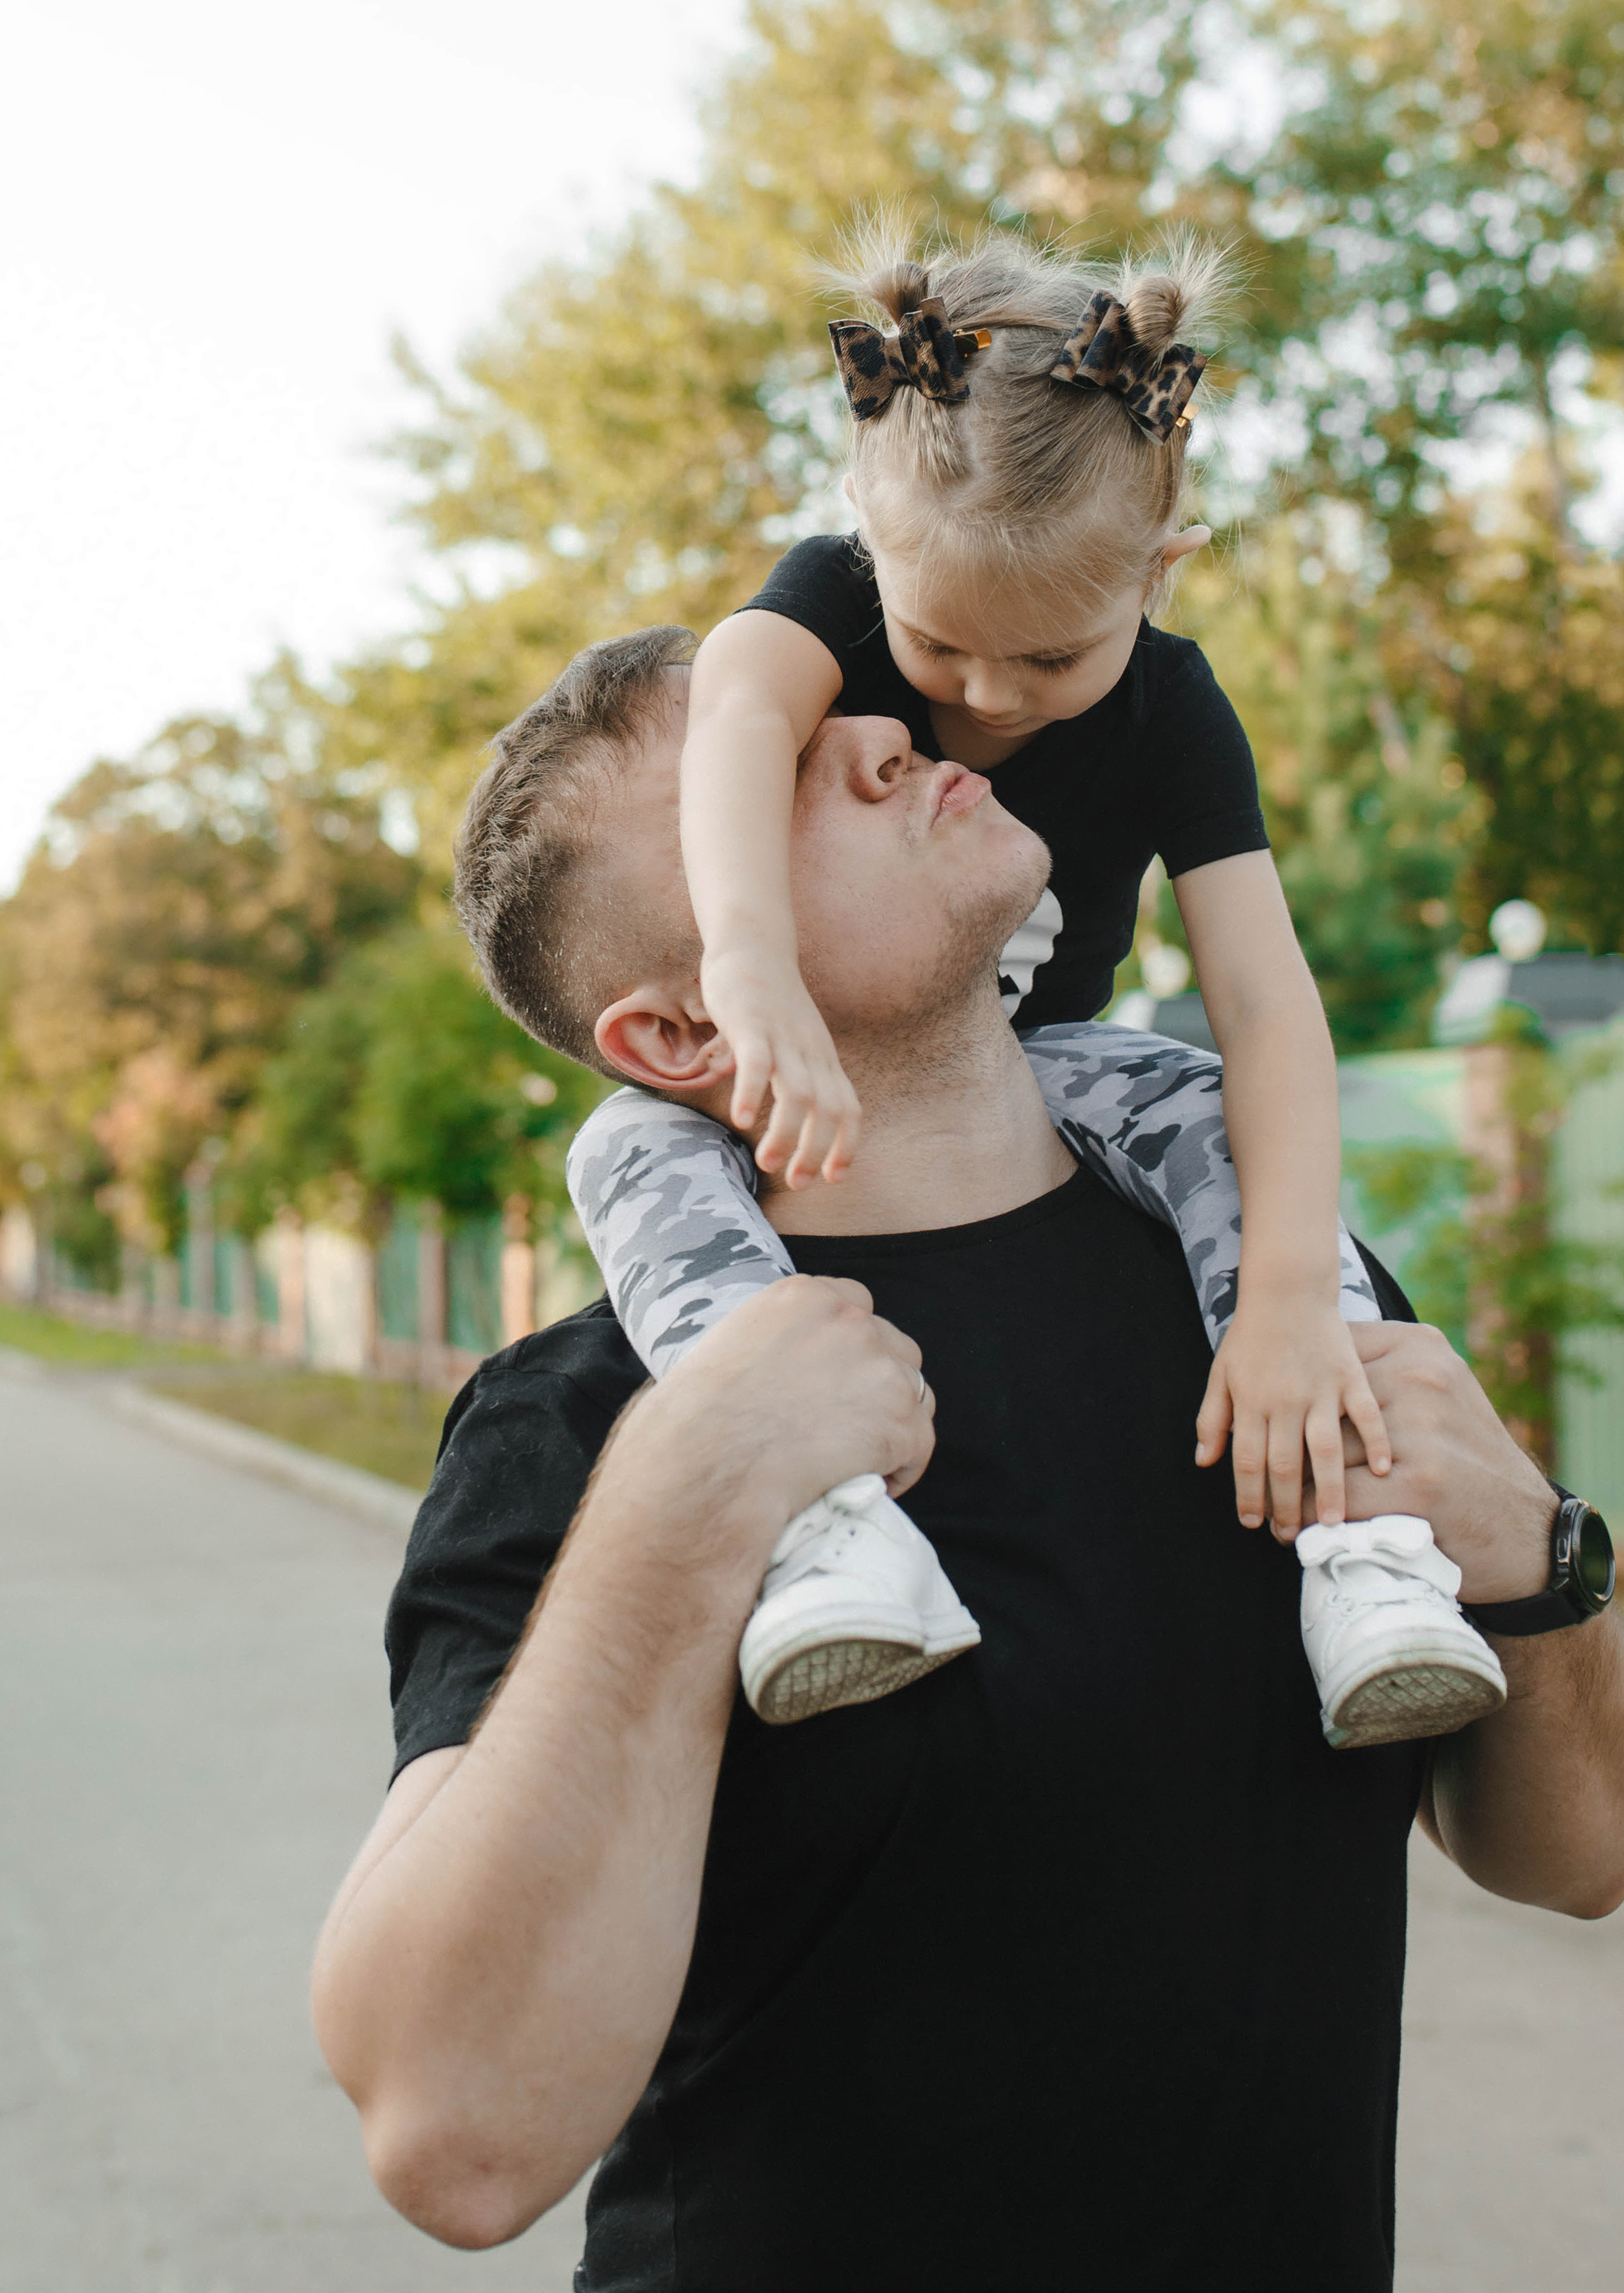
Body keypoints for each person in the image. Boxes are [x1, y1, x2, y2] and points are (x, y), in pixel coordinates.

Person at [312, 632, 1624, 2292]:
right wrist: (688, 1495)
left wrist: (1540, 1554)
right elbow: (454, 2134)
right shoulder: (584, 1419)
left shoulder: (1282, 1309)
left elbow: (1577, 1857)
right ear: (677, 1033)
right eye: (771, 774)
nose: (871, 730)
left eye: (830, 714)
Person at [560, 224, 1500, 1746]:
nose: (981, 703)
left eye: (1053, 660)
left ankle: (1369, 1559)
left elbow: (1265, 1008)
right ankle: (828, 1527)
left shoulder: (1180, 711)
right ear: (867, 543)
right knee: (623, 1145)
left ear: (1163, 570)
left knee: (1209, 1112)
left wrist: (1275, 1305)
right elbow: (734, 706)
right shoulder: (829, 602)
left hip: (1053, 1056)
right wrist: (751, 964)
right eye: (936, 647)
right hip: (811, 1047)